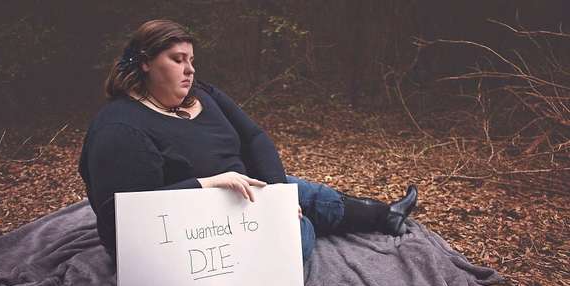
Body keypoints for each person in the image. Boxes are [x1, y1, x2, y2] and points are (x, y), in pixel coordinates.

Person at [78, 19, 418, 264]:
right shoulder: (120, 128)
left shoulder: (204, 94)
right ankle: (307, 226)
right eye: (177, 60)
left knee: (310, 194)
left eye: (191, 60)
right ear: (146, 63)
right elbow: (125, 218)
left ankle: (385, 215)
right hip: (193, 235)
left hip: (241, 192)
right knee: (298, 233)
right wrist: (208, 184)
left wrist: (277, 192)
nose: (190, 69)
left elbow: (254, 137)